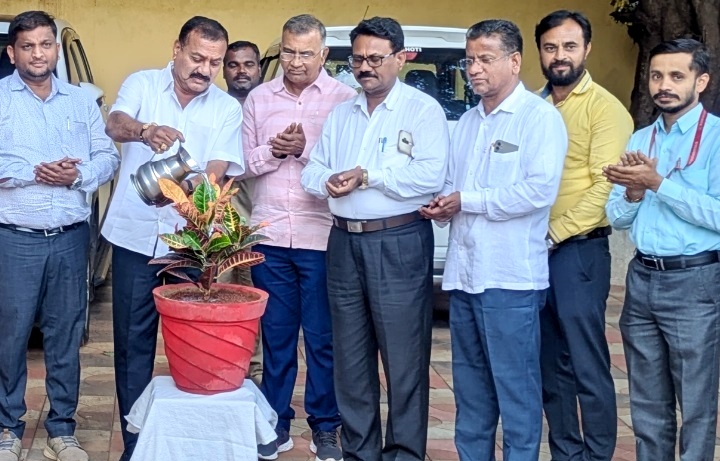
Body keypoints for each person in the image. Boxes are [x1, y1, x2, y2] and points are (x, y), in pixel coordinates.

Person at [301, 16, 449, 461]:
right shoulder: (342, 112)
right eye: (358, 59)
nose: (365, 67)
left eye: (375, 58)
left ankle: (403, 453)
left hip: (398, 240)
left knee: (404, 358)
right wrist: (327, 182)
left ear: (400, 58)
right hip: (343, 243)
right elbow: (313, 169)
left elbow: (430, 175)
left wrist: (368, 176)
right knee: (350, 358)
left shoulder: (422, 110)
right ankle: (360, 452)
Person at [421, 19, 567, 461]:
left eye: (485, 59)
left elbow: (539, 191)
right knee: (471, 393)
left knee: (516, 391)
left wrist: (467, 200)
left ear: (515, 61)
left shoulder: (539, 118)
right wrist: (442, 204)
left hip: (511, 279)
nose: (474, 69)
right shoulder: (467, 122)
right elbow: (452, 184)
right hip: (465, 277)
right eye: (470, 60)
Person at [101, 16, 243, 461]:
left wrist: (194, 190)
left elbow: (217, 169)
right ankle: (136, 446)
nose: (205, 69)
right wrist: (145, 131)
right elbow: (115, 123)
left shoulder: (226, 108)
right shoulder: (143, 84)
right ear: (177, 49)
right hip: (133, 238)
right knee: (132, 346)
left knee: (194, 347)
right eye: (197, 58)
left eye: (215, 63)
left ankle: (187, 444)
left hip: (188, 244)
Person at [0, 10, 119, 461]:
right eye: (27, 46)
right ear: (12, 53)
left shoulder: (80, 101)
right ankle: (8, 428)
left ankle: (62, 430)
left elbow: (108, 156)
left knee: (65, 335)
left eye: (45, 44)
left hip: (70, 238)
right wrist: (33, 172)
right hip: (16, 238)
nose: (38, 54)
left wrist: (76, 176)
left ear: (55, 49)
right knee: (10, 336)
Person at [243, 14, 355, 461]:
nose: (295, 61)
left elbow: (346, 167)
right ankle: (275, 422)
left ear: (323, 54)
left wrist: (304, 150)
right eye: (288, 51)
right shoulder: (258, 98)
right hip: (270, 234)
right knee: (277, 336)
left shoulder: (345, 100)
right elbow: (243, 163)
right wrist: (273, 151)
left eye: (306, 53)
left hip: (323, 236)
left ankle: (325, 426)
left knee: (324, 338)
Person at [603, 38, 720, 461]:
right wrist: (634, 192)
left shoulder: (716, 139)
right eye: (656, 76)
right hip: (642, 278)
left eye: (676, 75)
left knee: (696, 402)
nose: (663, 85)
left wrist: (658, 184)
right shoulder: (642, 137)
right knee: (647, 403)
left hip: (694, 281)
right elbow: (616, 217)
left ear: (701, 81)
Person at [535, 10, 633, 461]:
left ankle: (596, 455)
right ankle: (565, 453)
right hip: (534, 251)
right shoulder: (533, 106)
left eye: (570, 46)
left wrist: (554, 233)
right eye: (551, 47)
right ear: (539, 51)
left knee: (586, 362)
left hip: (578, 252)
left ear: (587, 49)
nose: (560, 56)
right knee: (549, 363)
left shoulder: (605, 109)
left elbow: (605, 188)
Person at [221, 39, 263, 386]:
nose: (241, 71)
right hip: (219, 220)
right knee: (219, 292)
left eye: (248, 64)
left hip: (257, 218)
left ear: (259, 68)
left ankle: (256, 366)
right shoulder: (214, 107)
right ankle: (221, 360)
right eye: (233, 64)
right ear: (223, 70)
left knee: (253, 293)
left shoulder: (268, 106)